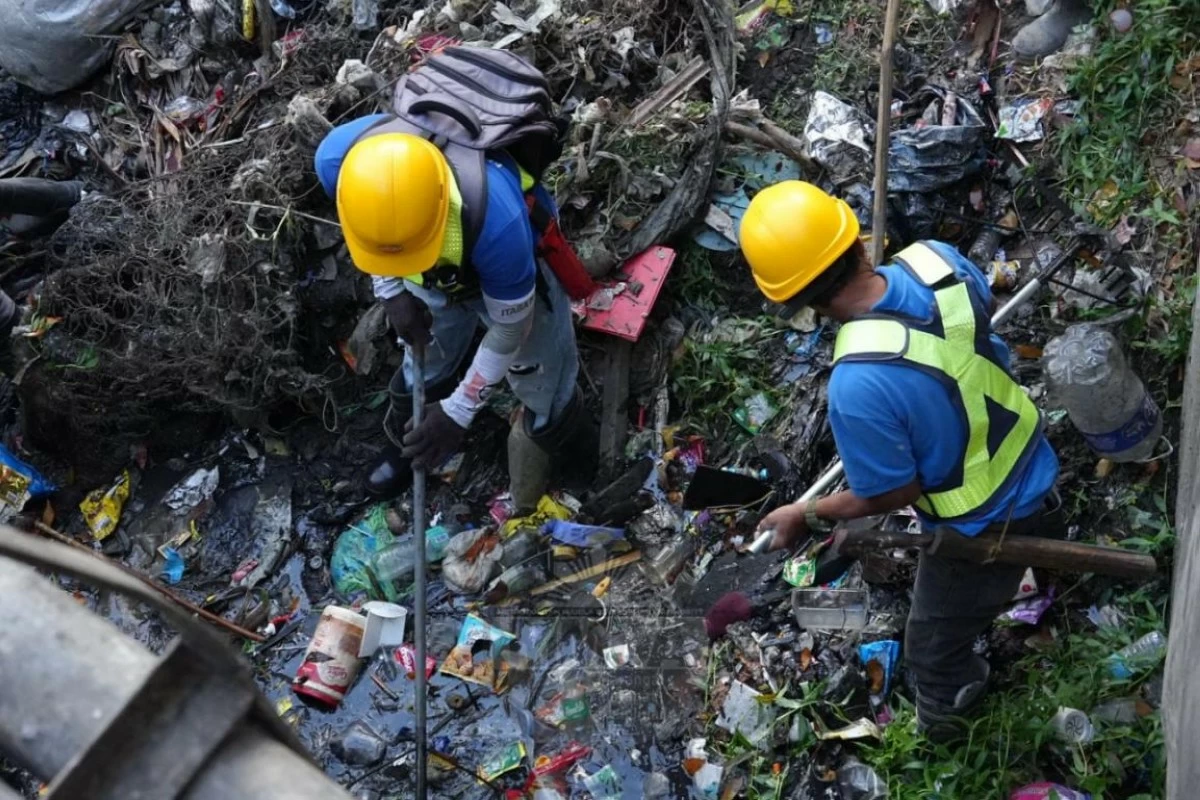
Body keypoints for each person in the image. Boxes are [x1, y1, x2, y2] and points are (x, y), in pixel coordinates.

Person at [740, 181, 1062, 739]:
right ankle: (1056, 565)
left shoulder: (857, 383)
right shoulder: (936, 260)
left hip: (986, 521)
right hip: (1033, 454)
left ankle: (947, 721)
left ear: (799, 303)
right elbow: (978, 322)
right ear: (858, 243)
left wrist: (807, 512)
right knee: (1042, 528)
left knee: (930, 648)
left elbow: (894, 494)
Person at [315, 120, 594, 508]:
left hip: (502, 263)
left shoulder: (500, 225)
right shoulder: (339, 161)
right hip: (430, 259)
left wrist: (458, 412)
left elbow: (511, 328)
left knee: (543, 374)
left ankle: (564, 458)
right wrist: (392, 291)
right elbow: (365, 224)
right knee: (424, 349)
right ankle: (414, 440)